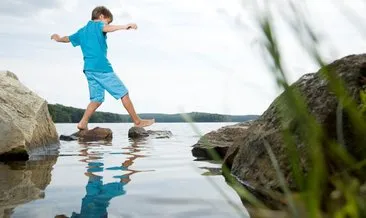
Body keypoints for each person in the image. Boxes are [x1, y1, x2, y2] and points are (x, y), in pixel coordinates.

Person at [51, 6, 155, 130]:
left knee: (96, 99)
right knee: (124, 93)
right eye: (108, 20)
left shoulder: (82, 31)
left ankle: (83, 123)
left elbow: (67, 39)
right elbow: (106, 28)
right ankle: (137, 121)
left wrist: (57, 38)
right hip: (102, 69)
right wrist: (124, 26)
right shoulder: (98, 25)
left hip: (88, 70)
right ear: (101, 17)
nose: (108, 23)